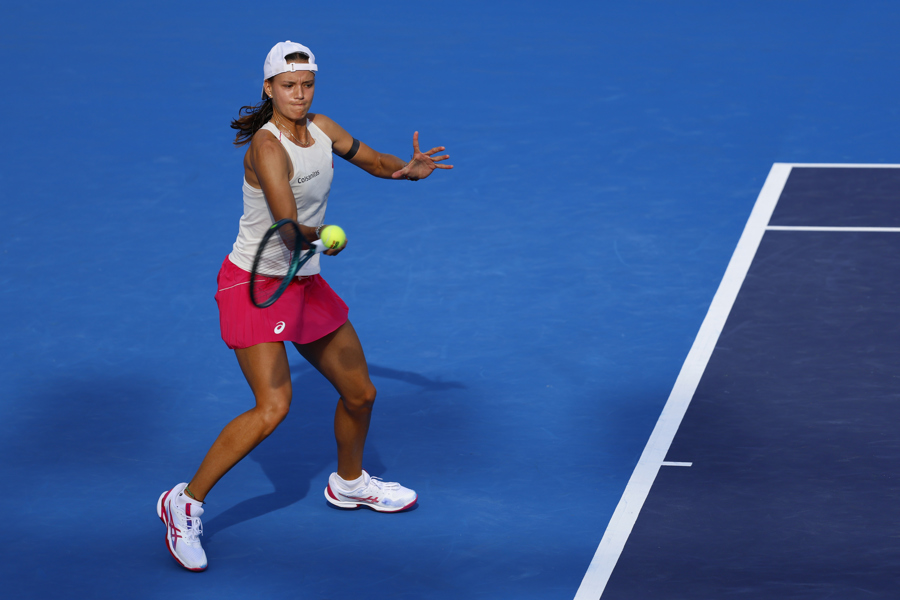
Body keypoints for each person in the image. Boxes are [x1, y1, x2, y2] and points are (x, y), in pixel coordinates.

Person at [156, 40, 452, 572]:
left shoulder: (323, 128)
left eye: (307, 84)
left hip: (303, 280)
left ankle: (350, 483)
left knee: (360, 393)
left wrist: (405, 170)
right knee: (273, 406)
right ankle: (185, 501)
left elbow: (372, 159)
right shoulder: (266, 148)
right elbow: (288, 226)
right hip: (254, 284)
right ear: (268, 89)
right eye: (289, 86)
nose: (299, 94)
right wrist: (327, 236)